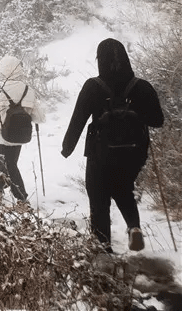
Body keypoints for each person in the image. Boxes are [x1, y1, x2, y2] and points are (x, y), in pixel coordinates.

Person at [61, 38, 164, 252]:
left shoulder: (93, 86)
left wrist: (67, 148)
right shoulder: (141, 87)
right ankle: (134, 228)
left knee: (98, 198)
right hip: (134, 154)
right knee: (123, 188)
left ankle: (102, 250)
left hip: (101, 154)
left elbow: (78, 118)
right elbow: (158, 120)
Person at [0, 55, 45, 206]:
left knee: (9, 163)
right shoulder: (28, 90)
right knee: (8, 161)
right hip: (20, 134)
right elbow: (39, 117)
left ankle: (21, 199)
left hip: (1, 134)